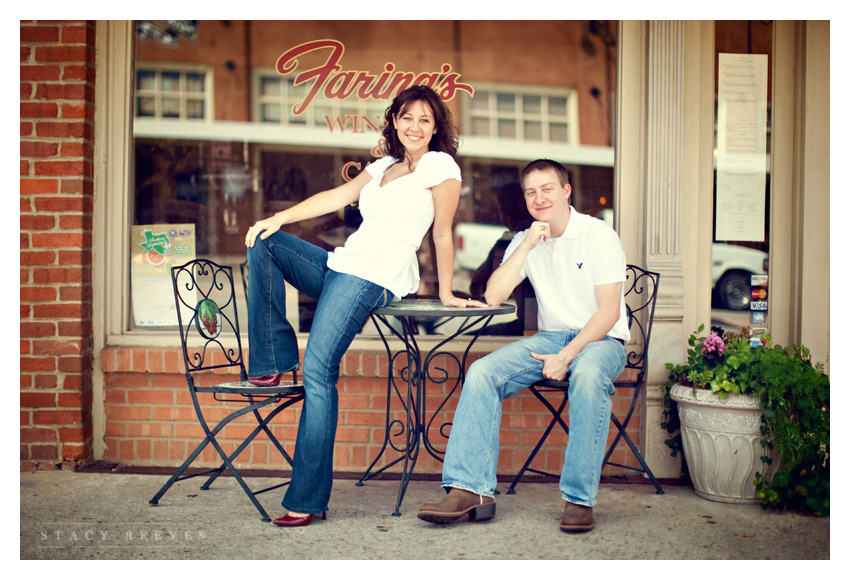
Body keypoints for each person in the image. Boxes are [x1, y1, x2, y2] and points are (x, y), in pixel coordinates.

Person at [244, 85, 487, 528]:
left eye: (425, 120)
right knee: (266, 242)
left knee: (318, 371)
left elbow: (442, 232)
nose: (415, 126)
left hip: (373, 277)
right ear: (394, 120)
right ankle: (273, 359)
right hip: (341, 264)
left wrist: (448, 290)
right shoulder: (383, 166)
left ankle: (306, 498)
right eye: (407, 117)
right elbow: (335, 198)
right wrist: (277, 218)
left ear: (435, 129)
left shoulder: (439, 166)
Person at [417, 158, 630, 533]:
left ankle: (579, 499)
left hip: (601, 339)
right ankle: (471, 490)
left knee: (588, 374)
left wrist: (567, 355)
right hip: (550, 338)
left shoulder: (599, 235)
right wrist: (529, 242)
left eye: (547, 189)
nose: (539, 198)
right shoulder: (527, 239)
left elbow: (609, 313)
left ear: (566, 191)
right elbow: (493, 294)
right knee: (482, 372)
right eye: (531, 192)